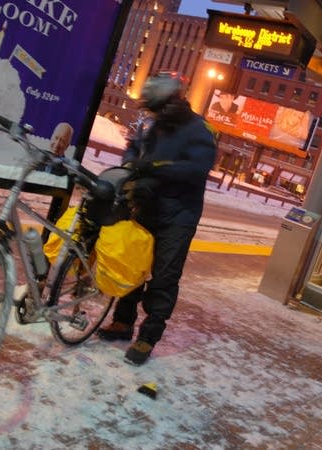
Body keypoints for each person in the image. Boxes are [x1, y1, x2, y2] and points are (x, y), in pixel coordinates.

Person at [97, 72, 217, 365]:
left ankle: (148, 337)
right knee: (134, 266)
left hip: (179, 215)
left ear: (172, 99)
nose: (152, 113)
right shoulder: (155, 124)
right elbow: (136, 147)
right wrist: (130, 162)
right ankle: (123, 323)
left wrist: (153, 167)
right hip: (147, 205)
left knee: (164, 277)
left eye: (156, 106)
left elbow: (196, 168)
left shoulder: (200, 129)